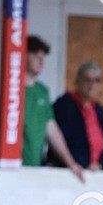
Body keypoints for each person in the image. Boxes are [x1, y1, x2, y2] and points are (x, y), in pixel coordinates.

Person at [23, 35, 84, 180]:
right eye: (36, 55)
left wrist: (71, 163)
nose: (41, 60)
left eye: (43, 56)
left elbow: (51, 129)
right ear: (23, 55)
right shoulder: (11, 88)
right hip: (11, 165)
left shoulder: (42, 92)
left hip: (34, 166)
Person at [51, 61, 103, 171]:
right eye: (87, 80)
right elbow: (61, 141)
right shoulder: (64, 105)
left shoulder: (100, 111)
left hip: (93, 173)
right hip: (68, 171)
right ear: (78, 81)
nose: (92, 85)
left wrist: (102, 164)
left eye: (96, 80)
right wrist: (79, 164)